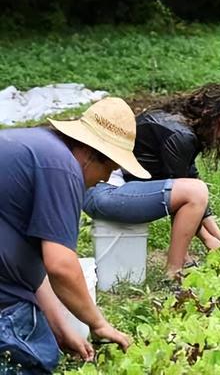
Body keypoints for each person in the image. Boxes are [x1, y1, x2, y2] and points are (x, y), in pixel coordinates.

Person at [0, 98, 147, 373]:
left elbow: (36, 268)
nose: (104, 180)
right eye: (109, 169)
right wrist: (99, 323)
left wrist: (60, 327)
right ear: (91, 154)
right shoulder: (63, 168)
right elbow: (61, 266)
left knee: (44, 347)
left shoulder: (41, 149)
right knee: (33, 360)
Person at [83, 84, 220, 279]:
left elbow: (188, 177)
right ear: (210, 114)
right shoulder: (180, 135)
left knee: (194, 189)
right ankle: (173, 271)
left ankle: (182, 260)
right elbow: (188, 195)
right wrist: (207, 239)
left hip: (112, 189)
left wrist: (218, 234)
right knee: (194, 192)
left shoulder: (183, 127)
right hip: (103, 193)